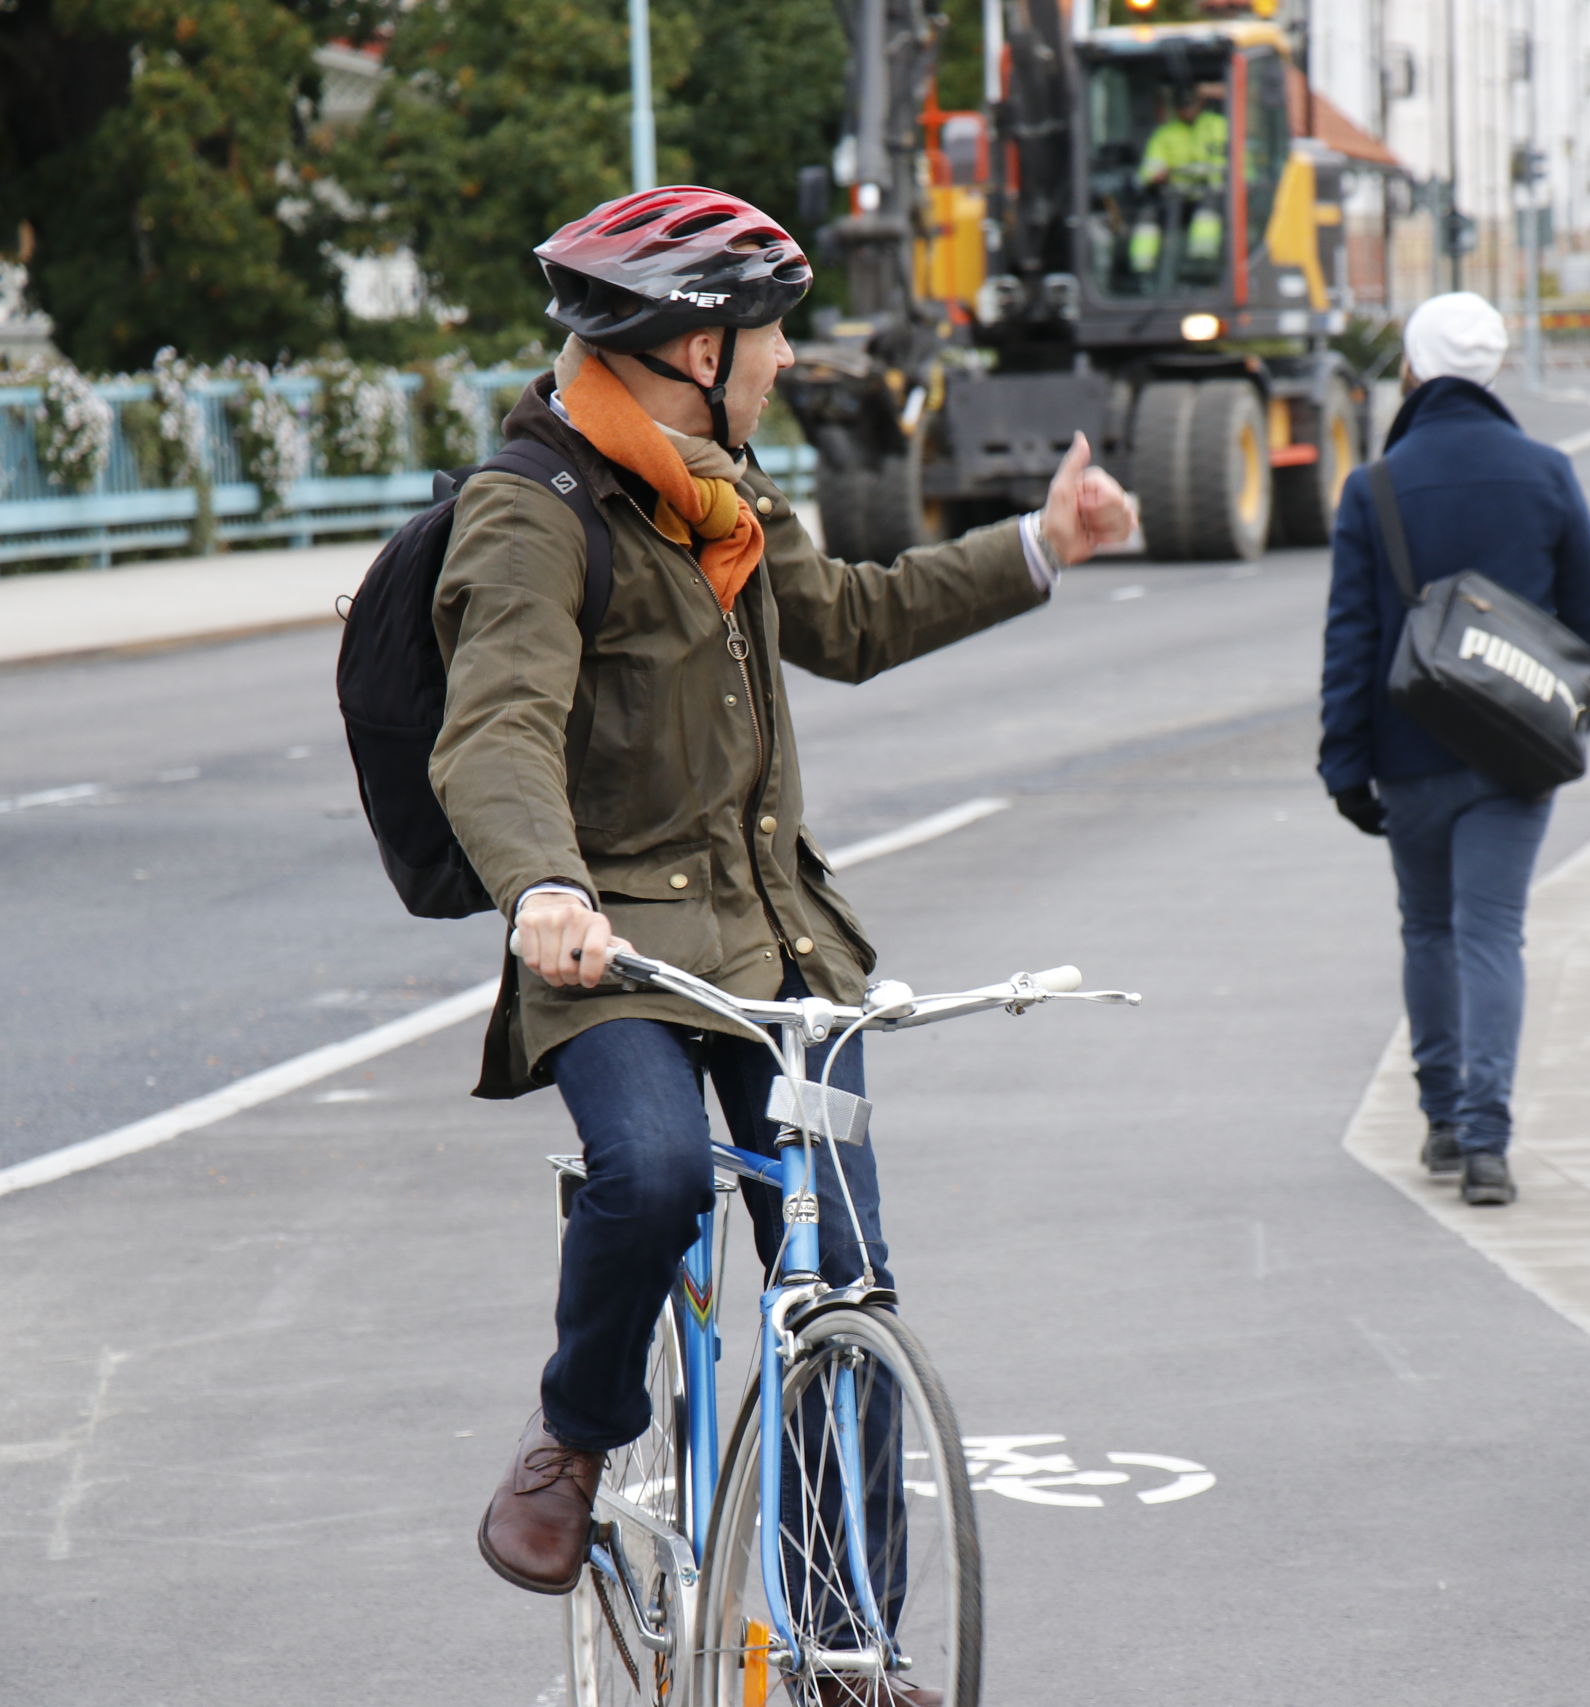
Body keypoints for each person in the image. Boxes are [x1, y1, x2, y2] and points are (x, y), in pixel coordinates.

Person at [433, 186, 1136, 1621]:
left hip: (778, 948)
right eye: (768, 336)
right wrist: (544, 885)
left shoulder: (727, 496)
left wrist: (1043, 539)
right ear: (697, 347)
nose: (787, 361)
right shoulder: (534, 508)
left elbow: (854, 619)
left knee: (845, 1289)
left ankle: (841, 1637)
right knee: (655, 1173)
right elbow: (496, 721)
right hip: (617, 946)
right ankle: (575, 1428)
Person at [1318, 291, 1590, 1208]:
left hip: (1408, 747)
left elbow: (1351, 639)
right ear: (1493, 371)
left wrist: (1344, 763)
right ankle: (1488, 1143)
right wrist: (1568, 723)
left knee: (1429, 928)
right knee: (1493, 934)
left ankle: (1441, 1117)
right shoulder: (1547, 472)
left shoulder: (1376, 488)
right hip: (1518, 751)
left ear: (1411, 368)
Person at [1130, 81, 1230, 281]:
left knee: (1207, 212)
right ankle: (1142, 270)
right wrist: (1155, 175)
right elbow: (1148, 170)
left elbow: (1238, 163)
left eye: (1190, 106)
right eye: (1182, 107)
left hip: (1214, 193)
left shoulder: (1220, 126)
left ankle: (1202, 264)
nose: (1186, 111)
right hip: (1176, 196)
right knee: (1147, 216)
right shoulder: (1165, 134)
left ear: (1200, 104)